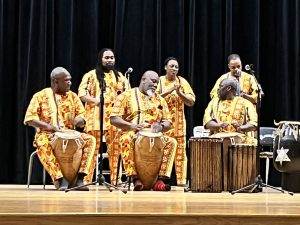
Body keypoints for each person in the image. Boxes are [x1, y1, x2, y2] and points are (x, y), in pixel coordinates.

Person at [24, 67, 96, 191]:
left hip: (70, 134)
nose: (70, 83)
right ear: (55, 81)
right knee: (41, 142)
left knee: (91, 140)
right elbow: (30, 119)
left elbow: (82, 115)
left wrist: (80, 120)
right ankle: (59, 179)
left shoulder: (73, 96)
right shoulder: (40, 96)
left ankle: (80, 178)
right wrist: (49, 127)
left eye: (70, 80)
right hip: (47, 134)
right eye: (66, 80)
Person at [110, 70, 177, 191]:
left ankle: (161, 180)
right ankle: (134, 178)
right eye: (153, 81)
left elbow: (169, 122)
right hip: (132, 132)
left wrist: (161, 127)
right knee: (125, 139)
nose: (155, 85)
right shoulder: (126, 95)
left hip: (155, 135)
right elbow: (114, 119)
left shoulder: (160, 100)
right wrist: (132, 126)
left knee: (171, 142)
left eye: (157, 83)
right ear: (143, 79)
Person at [78, 48, 130, 185]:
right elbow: (81, 93)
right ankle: (85, 180)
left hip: (114, 120)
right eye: (106, 57)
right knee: (91, 151)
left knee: (115, 151)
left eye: (112, 57)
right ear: (101, 59)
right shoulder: (90, 75)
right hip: (95, 118)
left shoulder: (120, 77)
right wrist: (96, 101)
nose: (110, 60)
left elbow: (128, 94)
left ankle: (116, 180)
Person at [157, 57, 195, 186]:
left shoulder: (182, 82)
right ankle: (159, 181)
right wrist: (168, 91)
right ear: (165, 67)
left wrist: (179, 93)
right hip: (162, 126)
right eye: (172, 66)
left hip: (179, 126)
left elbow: (191, 101)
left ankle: (181, 182)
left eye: (176, 67)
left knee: (181, 155)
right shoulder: (159, 81)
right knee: (161, 154)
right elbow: (152, 99)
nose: (174, 69)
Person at [204, 78, 257, 144]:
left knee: (231, 140)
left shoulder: (246, 103)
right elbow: (207, 122)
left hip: (240, 139)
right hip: (217, 139)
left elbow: (254, 124)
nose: (218, 89)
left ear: (228, 88)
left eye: (221, 86)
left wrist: (240, 128)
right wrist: (218, 125)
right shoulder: (213, 102)